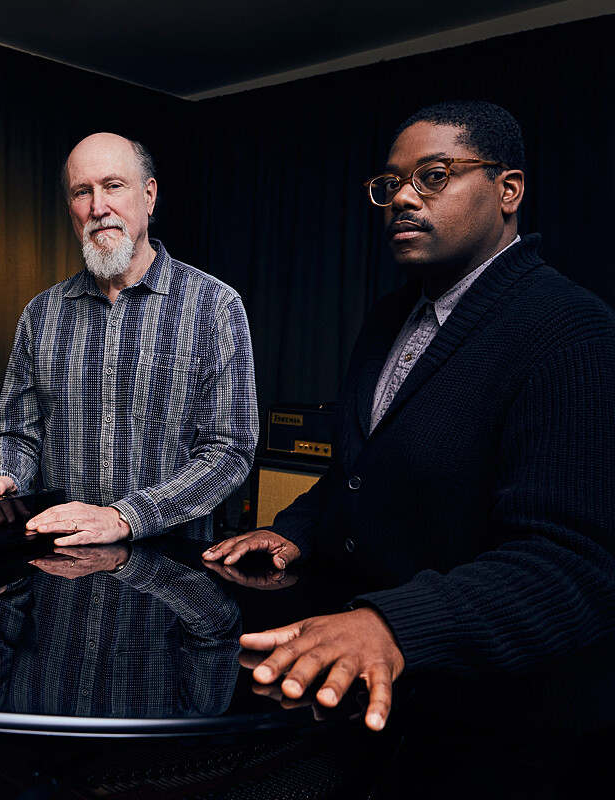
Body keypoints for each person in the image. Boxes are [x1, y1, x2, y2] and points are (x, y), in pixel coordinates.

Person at [203, 101, 615, 795]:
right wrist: (294, 529)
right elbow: (354, 472)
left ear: (508, 190)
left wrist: (391, 626)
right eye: (390, 183)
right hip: (387, 702)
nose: (401, 197)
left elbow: (571, 563)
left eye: (433, 176)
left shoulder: (572, 333)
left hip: (508, 728)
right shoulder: (392, 315)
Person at [0, 132, 258, 545]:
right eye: (82, 192)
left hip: (171, 570)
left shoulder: (215, 307)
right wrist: (5, 478)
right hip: (60, 566)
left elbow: (229, 450)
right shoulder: (40, 315)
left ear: (149, 195)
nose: (98, 207)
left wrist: (124, 518)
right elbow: (16, 434)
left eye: (113, 186)